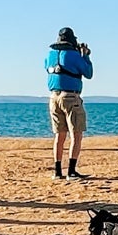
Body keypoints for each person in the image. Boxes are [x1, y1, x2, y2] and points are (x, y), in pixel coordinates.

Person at [45, 27, 93, 180]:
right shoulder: (73, 55)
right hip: (71, 97)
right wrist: (85, 56)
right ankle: (71, 171)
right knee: (76, 134)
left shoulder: (50, 55)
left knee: (59, 135)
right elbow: (88, 73)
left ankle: (57, 171)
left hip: (53, 97)